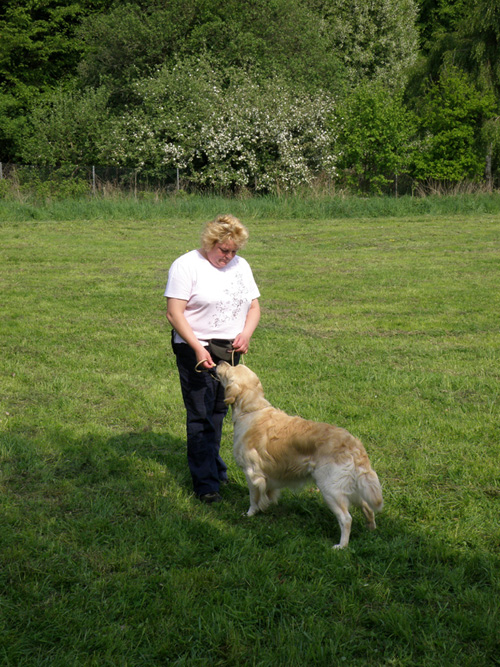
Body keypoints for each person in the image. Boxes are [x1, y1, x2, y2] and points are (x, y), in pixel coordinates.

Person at [165, 214, 261, 504]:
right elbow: (174, 313)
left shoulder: (241, 267)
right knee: (201, 414)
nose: (229, 256)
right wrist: (196, 346)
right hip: (196, 348)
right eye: (224, 250)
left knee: (219, 411)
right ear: (210, 243)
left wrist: (246, 333)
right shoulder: (186, 266)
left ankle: (215, 468)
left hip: (229, 350)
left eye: (234, 251)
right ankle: (205, 484)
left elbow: (254, 306)